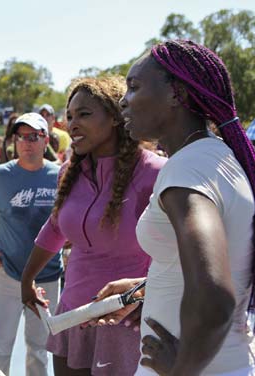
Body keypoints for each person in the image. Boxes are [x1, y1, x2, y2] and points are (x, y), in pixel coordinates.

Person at [95, 39, 255, 375]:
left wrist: (180, 370)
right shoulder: (214, 155)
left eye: (134, 87)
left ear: (177, 95)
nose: (124, 101)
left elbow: (216, 297)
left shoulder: (185, 171)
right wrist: (151, 289)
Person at [21, 76, 166, 376]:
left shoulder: (155, 173)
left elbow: (179, 252)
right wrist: (27, 279)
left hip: (126, 320)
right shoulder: (68, 172)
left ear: (115, 117)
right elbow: (55, 227)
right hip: (72, 317)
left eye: (84, 114)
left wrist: (147, 294)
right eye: (70, 116)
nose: (72, 124)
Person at [0, 112, 62, 375]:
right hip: (6, 274)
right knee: (0, 346)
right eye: (21, 136)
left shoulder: (61, 176)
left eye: (33, 136)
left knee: (39, 348)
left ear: (45, 139)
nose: (27, 142)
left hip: (47, 276)